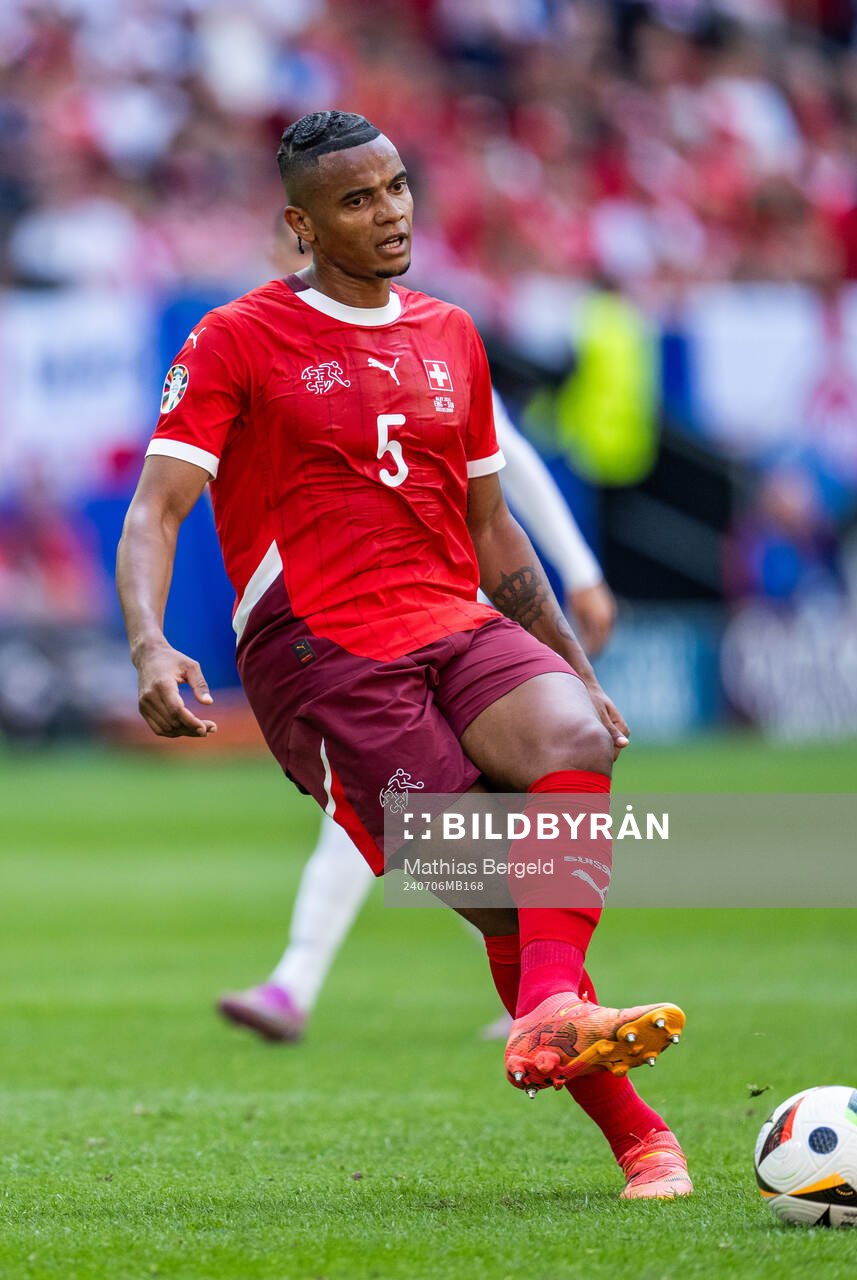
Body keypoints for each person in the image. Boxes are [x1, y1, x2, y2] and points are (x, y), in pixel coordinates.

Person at [116, 109, 690, 1200]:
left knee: (572, 737)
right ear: (301, 222)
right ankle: (637, 1131)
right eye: (356, 199)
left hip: (450, 615)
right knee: (512, 897)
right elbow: (156, 510)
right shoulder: (235, 338)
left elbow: (494, 527)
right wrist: (150, 641)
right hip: (320, 654)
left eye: (395, 188)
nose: (388, 213)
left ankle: (559, 1025)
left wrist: (577, 662)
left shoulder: (450, 332)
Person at [217, 388, 617, 1044]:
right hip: (372, 619)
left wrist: (579, 571)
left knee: (420, 815)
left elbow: (508, 460)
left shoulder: (425, 340)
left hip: (453, 604)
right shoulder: (285, 352)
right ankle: (549, 991)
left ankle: (301, 981)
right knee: (420, 819)